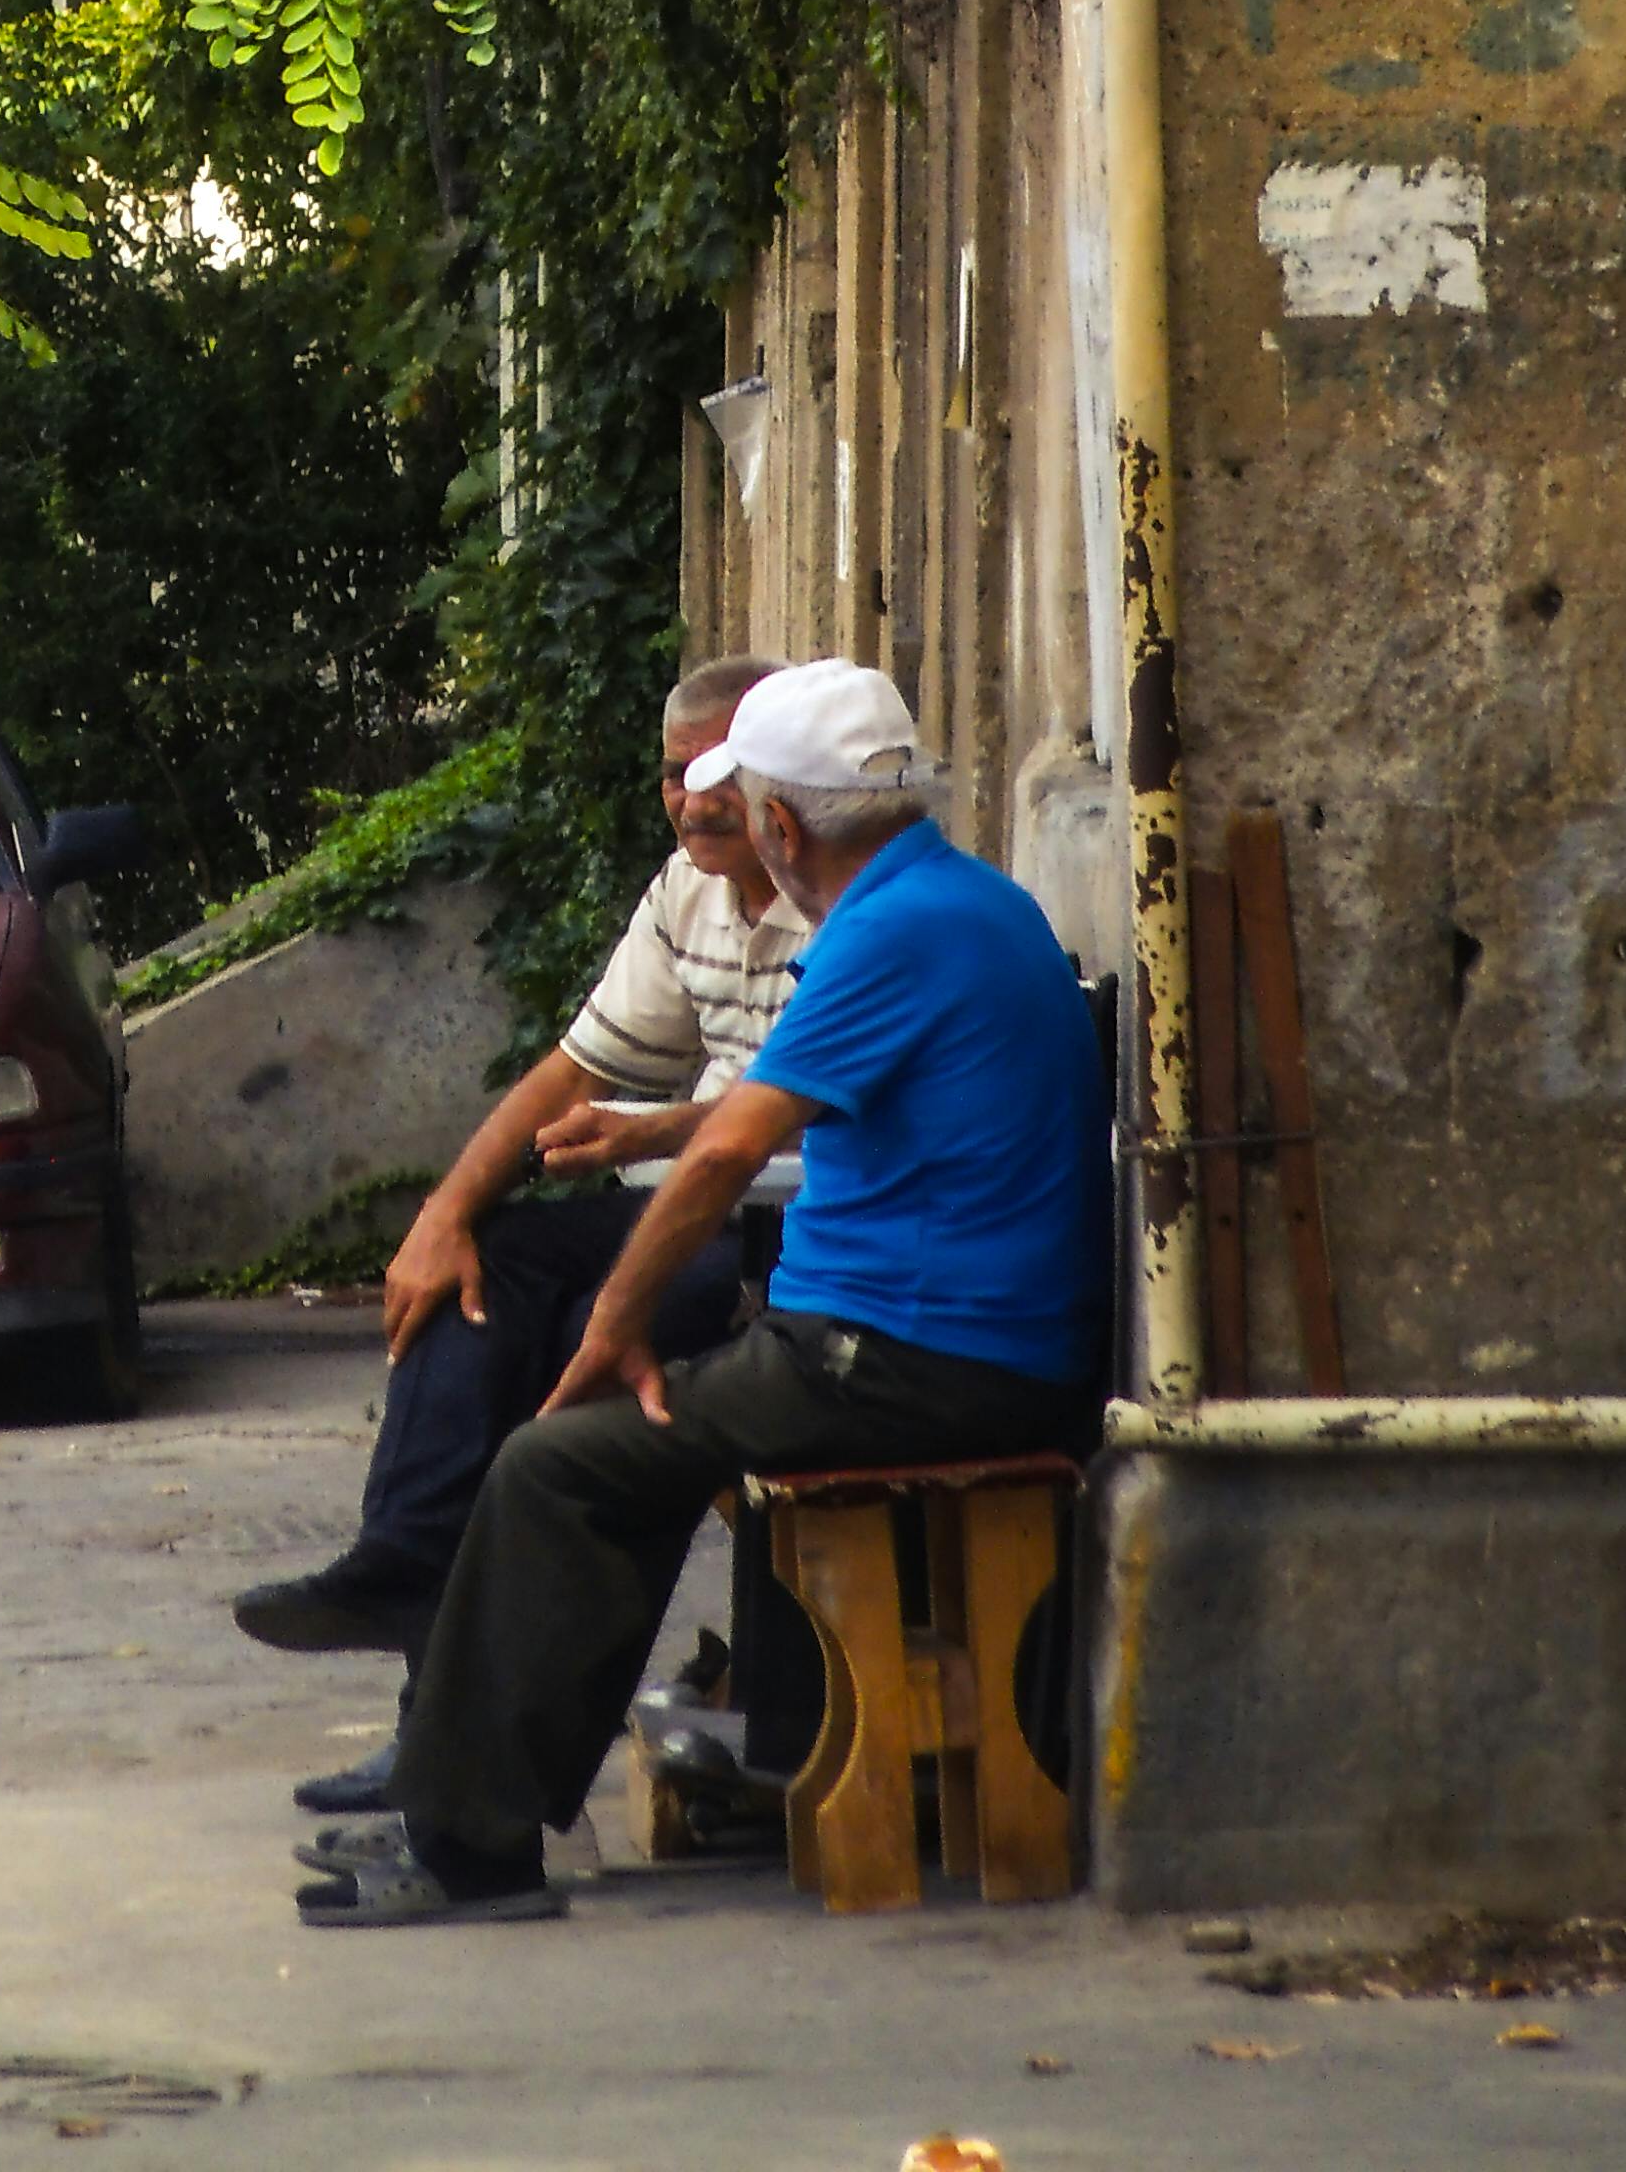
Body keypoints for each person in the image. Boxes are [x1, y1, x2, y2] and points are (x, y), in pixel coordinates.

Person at [293, 657, 1110, 1926]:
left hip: (908, 1357)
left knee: (554, 1465)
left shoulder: (890, 930)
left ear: (781, 826)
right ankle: (473, 1796)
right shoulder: (958, 900)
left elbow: (732, 1146)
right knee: (597, 1457)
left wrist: (616, 1323)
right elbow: (729, 1117)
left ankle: (466, 1844)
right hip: (912, 1340)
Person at [228, 657, 806, 1810]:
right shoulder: (685, 896)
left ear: (785, 787)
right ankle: (404, 1570)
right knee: (478, 1274)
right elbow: (577, 1068)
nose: (692, 800)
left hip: (797, 1236)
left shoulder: (852, 902)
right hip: (702, 1203)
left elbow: (789, 1115)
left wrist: (657, 1133)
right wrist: (442, 1218)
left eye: (719, 774)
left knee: (563, 1410)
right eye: (671, 774)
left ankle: (467, 1774)